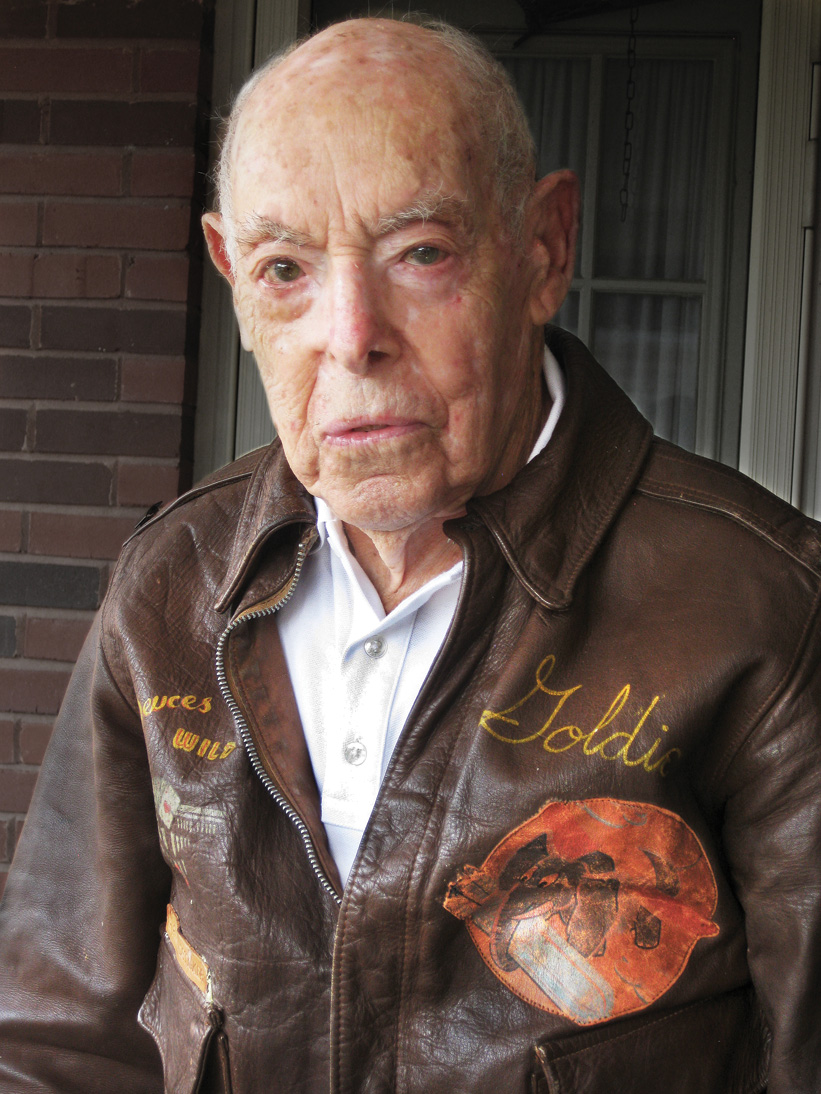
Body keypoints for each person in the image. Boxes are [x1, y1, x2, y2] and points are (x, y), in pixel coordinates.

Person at [0, 16, 819, 1094]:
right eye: (284, 267)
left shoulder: (761, 605)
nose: (350, 332)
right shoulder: (170, 582)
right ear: (229, 277)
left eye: (419, 253)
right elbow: (53, 1035)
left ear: (541, 249)